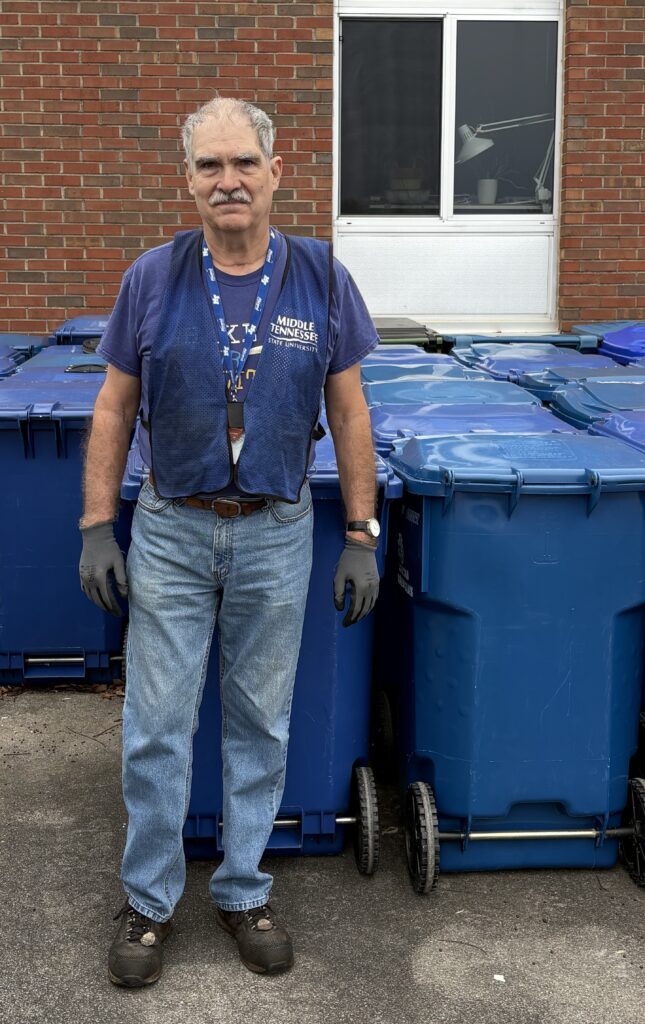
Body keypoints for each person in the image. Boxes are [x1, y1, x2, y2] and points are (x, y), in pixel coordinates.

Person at [79, 96, 381, 987]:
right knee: (157, 727)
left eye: (244, 162)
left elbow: (350, 412)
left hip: (276, 532)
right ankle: (148, 901)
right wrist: (97, 526)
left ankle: (244, 890)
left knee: (259, 722)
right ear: (188, 180)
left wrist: (360, 531)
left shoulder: (320, 276)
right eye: (209, 166)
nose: (228, 181)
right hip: (171, 528)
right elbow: (113, 408)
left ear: (275, 172)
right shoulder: (153, 277)